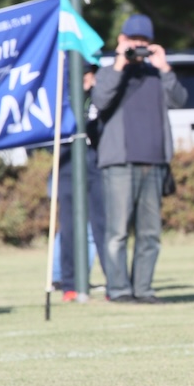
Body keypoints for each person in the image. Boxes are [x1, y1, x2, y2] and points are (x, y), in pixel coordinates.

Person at [92, 13, 188, 304]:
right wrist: (120, 62)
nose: (139, 45)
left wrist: (164, 66)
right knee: (117, 232)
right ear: (121, 40)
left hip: (154, 161)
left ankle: (144, 288)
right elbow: (100, 100)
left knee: (150, 233)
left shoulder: (157, 74)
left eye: (144, 41)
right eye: (133, 39)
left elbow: (180, 99)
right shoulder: (109, 72)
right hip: (120, 162)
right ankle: (119, 289)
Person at [56, 64, 110, 301]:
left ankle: (115, 281)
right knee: (69, 229)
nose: (87, 80)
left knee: (103, 226)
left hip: (96, 167)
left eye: (90, 75)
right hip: (68, 167)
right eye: (84, 75)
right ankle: (69, 284)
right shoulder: (62, 101)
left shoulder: (98, 101)